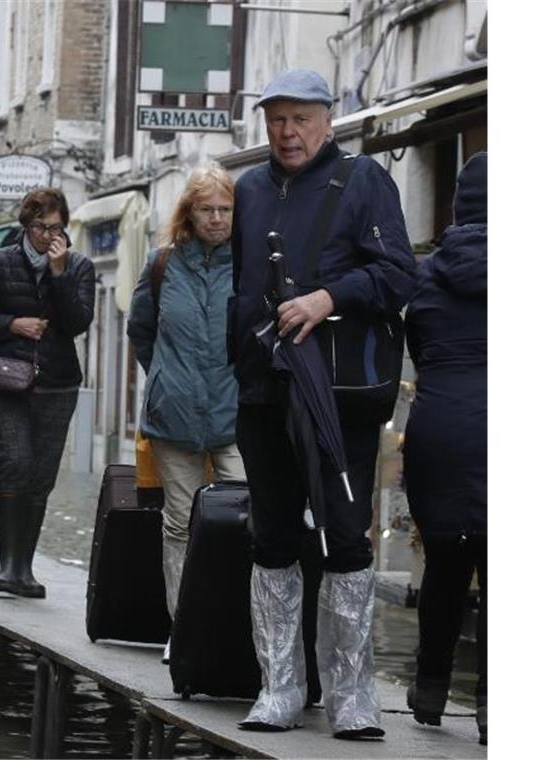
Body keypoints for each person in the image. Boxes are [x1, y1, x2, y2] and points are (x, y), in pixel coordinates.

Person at [227, 69, 416, 739]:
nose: (286, 132)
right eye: (276, 119)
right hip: (261, 389)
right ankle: (279, 689)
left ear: (327, 121)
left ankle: (353, 698)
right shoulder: (247, 189)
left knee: (344, 534)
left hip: (336, 395)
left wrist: (327, 298)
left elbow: (400, 274)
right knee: (271, 533)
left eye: (300, 118)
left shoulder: (364, 181)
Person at [127, 166, 245, 662]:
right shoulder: (161, 264)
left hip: (236, 413)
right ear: (188, 214)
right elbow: (141, 331)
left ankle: (239, 625)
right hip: (174, 414)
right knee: (180, 522)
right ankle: (186, 628)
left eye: (225, 209)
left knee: (243, 518)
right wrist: (166, 379)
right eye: (206, 209)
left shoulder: (251, 264)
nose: (217, 218)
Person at [0, 188, 96, 598]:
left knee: (41, 477)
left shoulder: (79, 267)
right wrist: (12, 325)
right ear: (26, 225)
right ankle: (8, 566)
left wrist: (58, 276)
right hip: (8, 380)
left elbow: (77, 323)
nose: (47, 235)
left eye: (56, 227)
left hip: (58, 384)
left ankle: (26, 568)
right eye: (41, 226)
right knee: (15, 462)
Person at [402, 152, 487, 745]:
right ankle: (494, 708)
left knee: (444, 567)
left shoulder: (426, 273)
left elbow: (417, 339)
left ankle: (429, 691)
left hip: (437, 432)